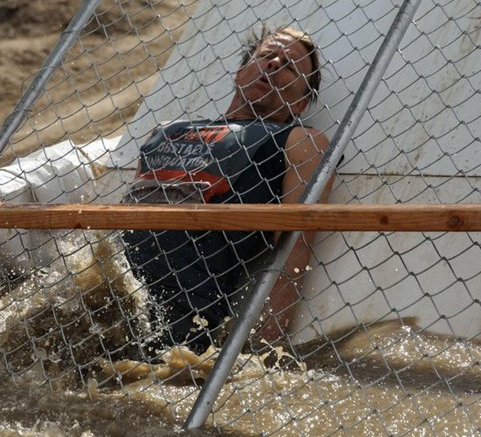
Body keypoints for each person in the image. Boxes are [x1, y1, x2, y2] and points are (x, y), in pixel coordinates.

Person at [122, 26, 332, 354]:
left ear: (302, 103)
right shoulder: (166, 131)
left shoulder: (298, 140)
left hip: (181, 303)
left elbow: (295, 247)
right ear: (239, 73)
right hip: (111, 283)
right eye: (266, 56)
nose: (275, 64)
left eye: (290, 66)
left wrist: (267, 348)